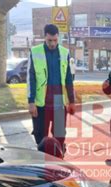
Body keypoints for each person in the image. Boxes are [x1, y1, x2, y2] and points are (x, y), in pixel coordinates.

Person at [28, 24, 75, 152]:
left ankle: (59, 163)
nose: (53, 43)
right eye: (49, 40)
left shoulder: (65, 53)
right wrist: (31, 101)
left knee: (59, 136)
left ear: (58, 38)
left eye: (55, 40)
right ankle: (43, 166)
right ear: (45, 37)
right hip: (41, 103)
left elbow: (68, 78)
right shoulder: (35, 52)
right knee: (40, 137)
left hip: (59, 102)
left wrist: (72, 101)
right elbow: (31, 78)